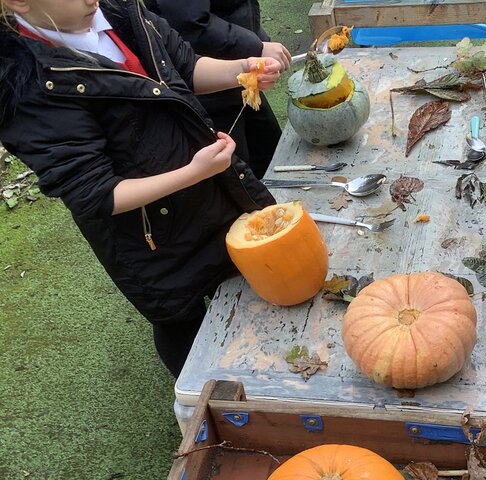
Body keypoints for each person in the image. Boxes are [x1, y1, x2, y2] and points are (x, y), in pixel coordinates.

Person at [0, 0, 283, 377]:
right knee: (179, 316)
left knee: (231, 278)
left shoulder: (120, 12)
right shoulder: (28, 85)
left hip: (206, 195)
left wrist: (241, 70)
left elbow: (185, 66)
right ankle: (202, 401)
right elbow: (95, 193)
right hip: (148, 238)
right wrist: (194, 172)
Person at [144, 0, 291, 179]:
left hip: (238, 78)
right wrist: (255, 47)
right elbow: (190, 24)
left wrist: (258, 42)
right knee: (236, 174)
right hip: (209, 96)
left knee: (273, 156)